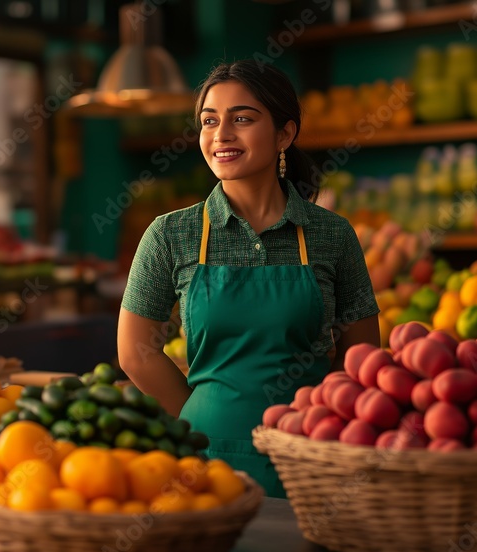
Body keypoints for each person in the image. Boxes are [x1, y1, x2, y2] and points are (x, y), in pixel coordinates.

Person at [117, 60, 380, 498]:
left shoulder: (332, 234)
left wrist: (318, 422)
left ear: (284, 134)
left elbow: (363, 353)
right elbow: (134, 351)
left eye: (242, 118)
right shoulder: (170, 234)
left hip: (309, 455)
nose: (221, 134)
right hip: (203, 456)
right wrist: (201, 416)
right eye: (209, 121)